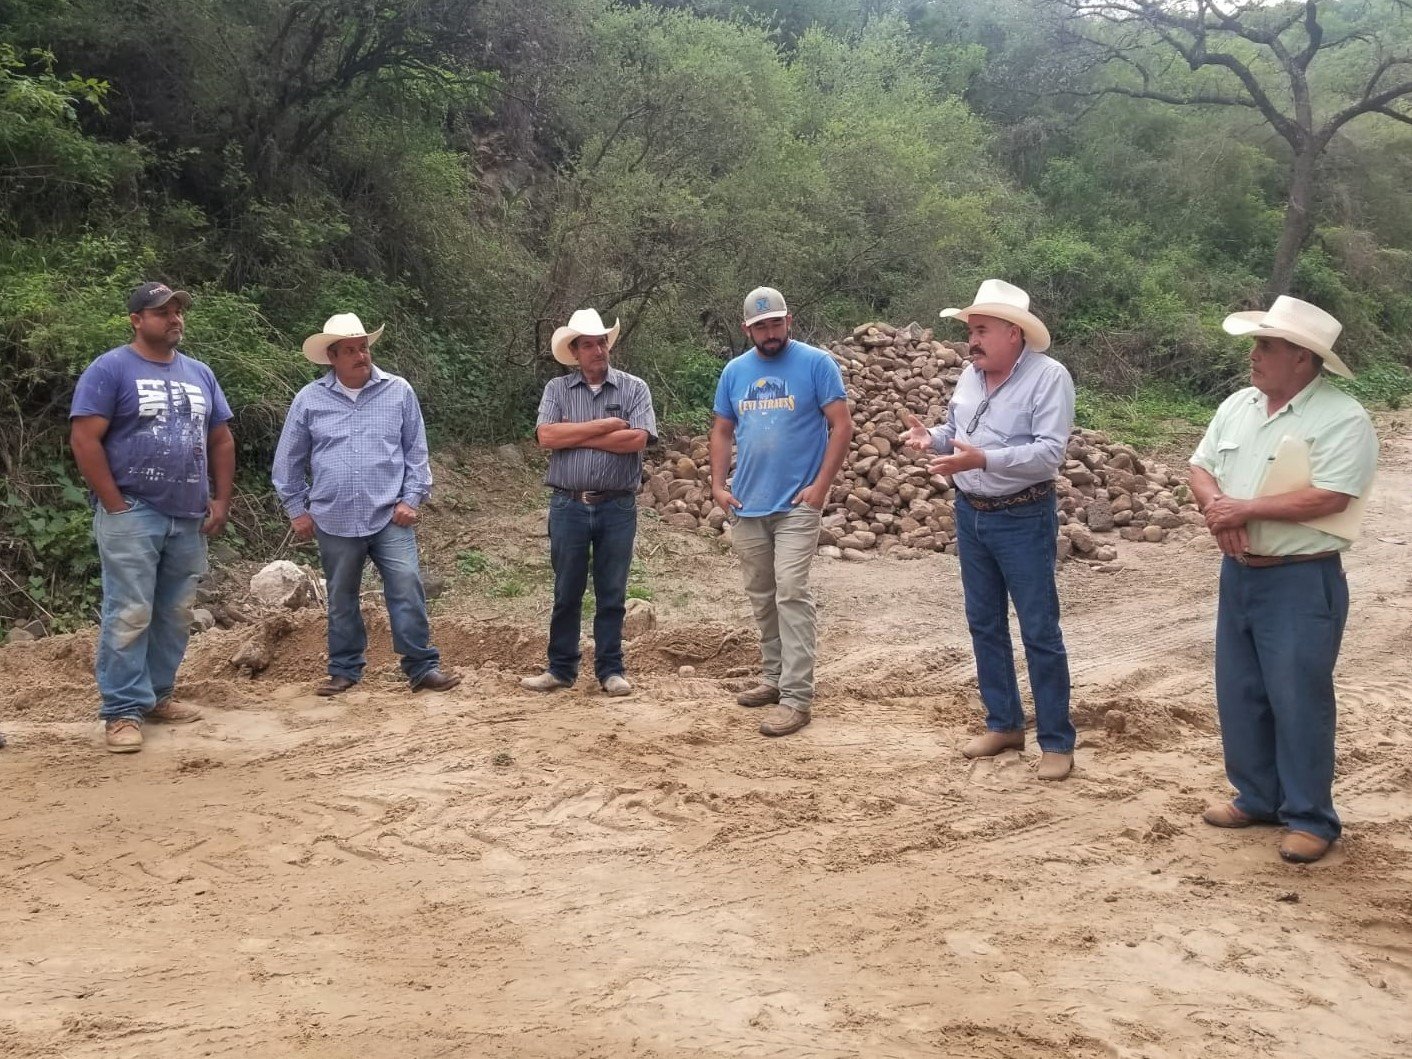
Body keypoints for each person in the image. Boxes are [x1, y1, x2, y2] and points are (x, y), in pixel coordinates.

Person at [1189, 296, 1377, 864]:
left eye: (1266, 345)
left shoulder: (1343, 419)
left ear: (1302, 358)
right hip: (1241, 571)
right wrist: (1219, 508)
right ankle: (1257, 797)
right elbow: (1200, 468)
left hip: (1301, 577)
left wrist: (1241, 510)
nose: (1254, 355)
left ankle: (1310, 817)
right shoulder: (1239, 406)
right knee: (1240, 691)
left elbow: (1332, 495)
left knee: (1298, 698)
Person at [903, 279, 1076, 780]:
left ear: (1013, 333)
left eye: (981, 331)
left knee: (1040, 630)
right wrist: (931, 439)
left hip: (1023, 516)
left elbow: (1049, 454)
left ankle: (1057, 741)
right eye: (971, 331)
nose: (971, 341)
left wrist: (985, 458)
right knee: (984, 623)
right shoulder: (970, 376)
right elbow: (957, 433)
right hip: (971, 511)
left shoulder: (1049, 378)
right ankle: (1004, 723)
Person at [70, 281, 235, 753]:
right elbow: (85, 439)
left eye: (178, 310)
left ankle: (157, 696)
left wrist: (221, 500)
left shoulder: (200, 373)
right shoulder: (111, 369)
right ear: (137, 320)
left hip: (188, 513)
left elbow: (220, 439)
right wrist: (114, 502)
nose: (174, 318)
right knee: (129, 610)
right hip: (134, 510)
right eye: (162, 311)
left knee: (174, 613)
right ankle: (121, 710)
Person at [272, 313, 460, 696]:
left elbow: (416, 451)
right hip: (333, 515)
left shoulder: (398, 391)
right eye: (351, 350)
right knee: (341, 595)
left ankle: (421, 667)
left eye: (364, 348)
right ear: (333, 357)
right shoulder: (309, 400)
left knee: (407, 585)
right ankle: (344, 669)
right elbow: (288, 459)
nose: (361, 356)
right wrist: (296, 509)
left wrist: (412, 498)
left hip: (390, 513)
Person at [709, 286, 852, 737]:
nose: (769, 333)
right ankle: (773, 677)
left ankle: (796, 697)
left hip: (796, 504)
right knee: (761, 592)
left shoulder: (816, 364)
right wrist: (717, 485)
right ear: (746, 328)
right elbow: (721, 429)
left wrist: (820, 487)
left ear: (788, 322)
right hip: (748, 503)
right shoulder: (735, 371)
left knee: (791, 590)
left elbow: (842, 425)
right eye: (760, 326)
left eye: (776, 324)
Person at [521, 308, 657, 696]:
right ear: (575, 351)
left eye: (602, 343)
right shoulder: (556, 390)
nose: (598, 350)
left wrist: (574, 435)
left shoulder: (634, 388)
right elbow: (546, 437)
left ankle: (610, 670)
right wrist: (603, 427)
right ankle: (560, 669)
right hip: (568, 505)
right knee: (567, 590)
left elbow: (637, 440)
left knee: (612, 591)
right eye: (588, 345)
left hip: (617, 505)